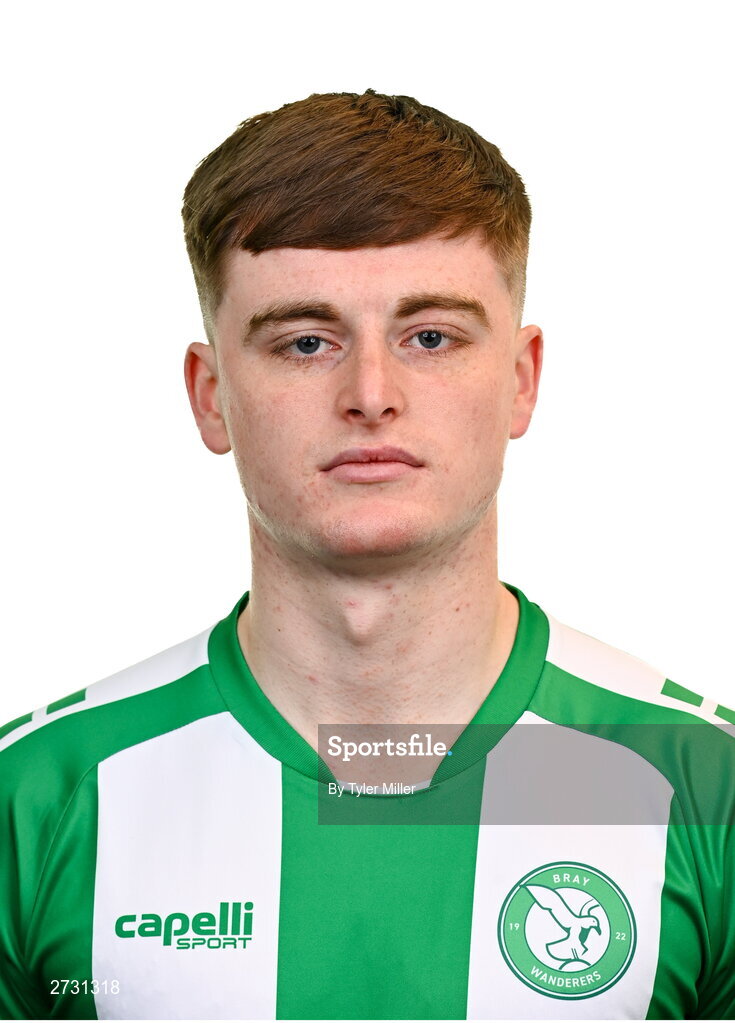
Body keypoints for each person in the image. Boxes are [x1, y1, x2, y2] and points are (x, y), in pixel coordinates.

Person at [0, 89, 733, 1021]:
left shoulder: (703, 787)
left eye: (430, 336)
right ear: (210, 393)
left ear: (520, 380)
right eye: (306, 342)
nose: (371, 393)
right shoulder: (35, 799)